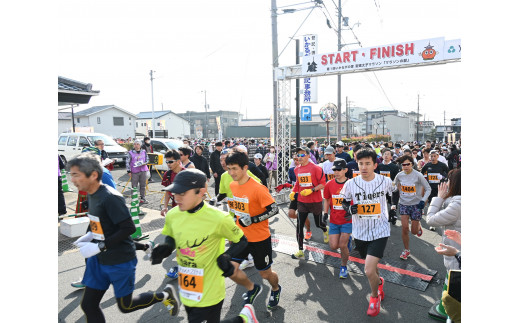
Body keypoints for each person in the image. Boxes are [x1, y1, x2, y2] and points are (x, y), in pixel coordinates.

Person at [67, 153, 179, 321]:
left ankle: (165, 295)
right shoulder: (90, 193)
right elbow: (101, 223)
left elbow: (128, 228)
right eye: (71, 174)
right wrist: (89, 236)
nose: (73, 179)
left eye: (77, 175)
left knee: (126, 305)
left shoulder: (110, 197)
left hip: (119, 261)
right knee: (88, 305)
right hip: (98, 260)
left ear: (94, 175)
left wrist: (99, 246)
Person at [153, 169, 259, 322]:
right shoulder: (172, 214)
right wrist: (167, 247)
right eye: (175, 193)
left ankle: (243, 319)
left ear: (200, 191)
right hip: (187, 289)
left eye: (182, 194)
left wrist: (229, 257)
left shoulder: (219, 218)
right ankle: (244, 318)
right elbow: (171, 235)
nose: (176, 198)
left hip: (211, 290)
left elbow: (242, 241)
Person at [339, 147, 396, 317]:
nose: (364, 167)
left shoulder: (384, 181)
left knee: (368, 270)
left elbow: (394, 193)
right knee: (372, 268)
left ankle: (374, 297)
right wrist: (350, 208)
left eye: (368, 164)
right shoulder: (351, 183)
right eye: (361, 163)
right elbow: (343, 201)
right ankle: (379, 283)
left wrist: (392, 208)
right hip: (360, 232)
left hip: (380, 229)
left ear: (374, 165)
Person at [226, 151, 282, 310]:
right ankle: (252, 288)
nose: (231, 173)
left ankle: (276, 289)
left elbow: (274, 209)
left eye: (235, 169)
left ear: (245, 168)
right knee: (230, 268)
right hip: (241, 238)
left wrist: (254, 219)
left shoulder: (258, 188)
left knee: (265, 274)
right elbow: (238, 211)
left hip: (260, 239)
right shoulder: (232, 185)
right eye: (229, 168)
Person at [290, 147, 329, 259]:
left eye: (302, 155)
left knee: (318, 224)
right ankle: (300, 250)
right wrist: (293, 191)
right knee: (299, 225)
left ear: (308, 156)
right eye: (298, 155)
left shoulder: (316, 168)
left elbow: (323, 184)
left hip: (315, 201)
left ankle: (325, 229)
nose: (299, 157)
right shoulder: (296, 169)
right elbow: (298, 182)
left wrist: (311, 190)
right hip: (302, 201)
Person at [393, 155, 431, 260]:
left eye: (408, 164)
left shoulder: (418, 175)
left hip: (416, 205)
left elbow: (428, 189)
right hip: (404, 204)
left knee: (414, 232)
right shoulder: (399, 175)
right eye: (403, 164)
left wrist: (423, 200)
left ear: (412, 164)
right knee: (405, 228)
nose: (405, 166)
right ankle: (406, 250)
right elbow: (394, 188)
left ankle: (418, 226)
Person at [323, 159, 352, 279]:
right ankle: (347, 241)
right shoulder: (329, 184)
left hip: (347, 220)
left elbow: (358, 201)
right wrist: (325, 213)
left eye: (339, 170)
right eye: (334, 169)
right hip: (334, 220)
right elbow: (327, 199)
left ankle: (344, 267)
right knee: (334, 246)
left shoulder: (352, 184)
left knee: (342, 245)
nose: (336, 172)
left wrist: (352, 211)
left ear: (345, 170)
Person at [427, 169, 461, 271]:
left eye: (448, 180)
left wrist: (439, 198)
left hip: (457, 258)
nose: (446, 183)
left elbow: (431, 219)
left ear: (455, 183)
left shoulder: (457, 205)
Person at [288, 153, 312, 239]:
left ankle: (308, 230)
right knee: (291, 214)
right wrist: (284, 187)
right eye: (295, 160)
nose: (296, 161)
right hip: (295, 194)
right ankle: (301, 217)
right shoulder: (291, 170)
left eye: (297, 159)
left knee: (303, 215)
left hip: (304, 194)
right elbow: (290, 182)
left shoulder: (307, 169)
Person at [126, 140, 149, 204]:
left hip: (143, 170)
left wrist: (145, 163)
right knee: (134, 186)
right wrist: (128, 171)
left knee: (143, 185)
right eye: (135, 144)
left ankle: (143, 198)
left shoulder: (144, 151)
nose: (136, 145)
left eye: (138, 144)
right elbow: (127, 162)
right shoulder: (130, 152)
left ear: (140, 145)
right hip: (134, 171)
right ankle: (134, 199)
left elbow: (147, 159)